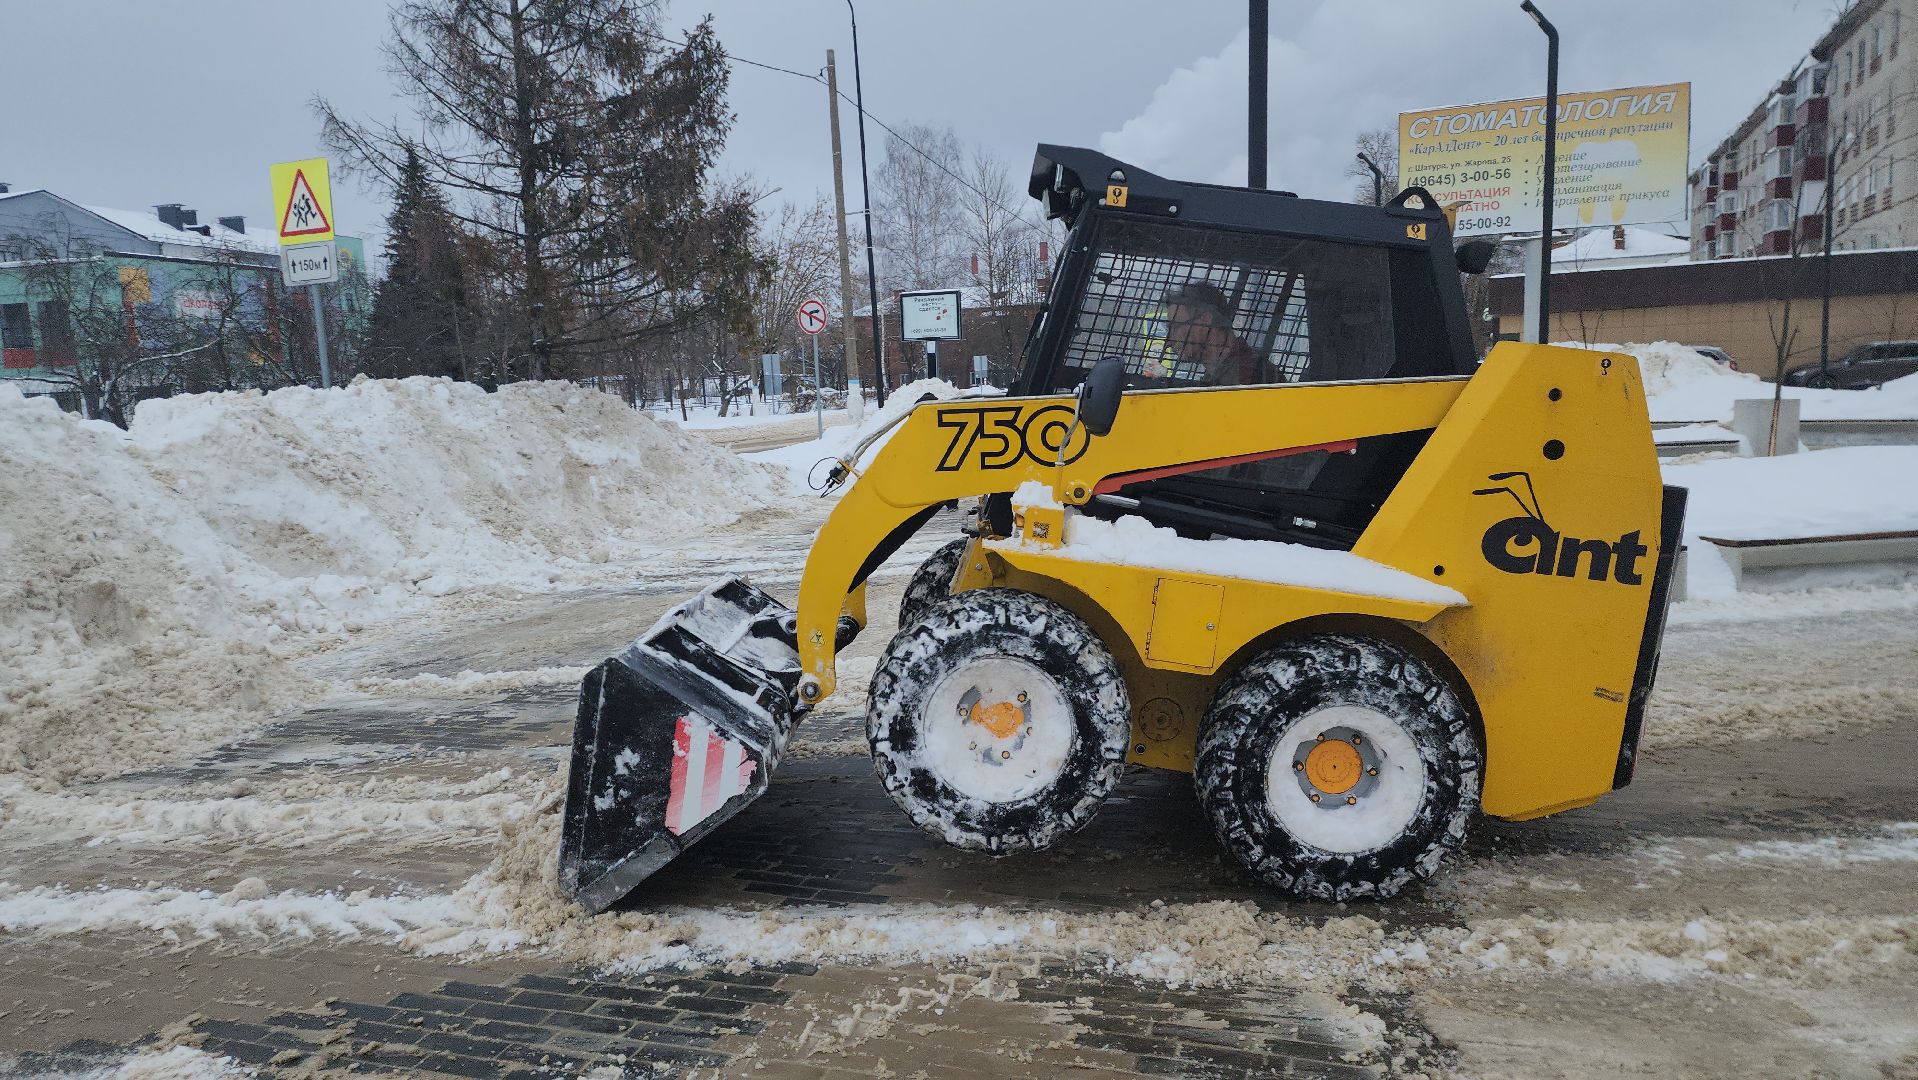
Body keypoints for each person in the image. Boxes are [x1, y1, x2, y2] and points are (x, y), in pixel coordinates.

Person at [1162, 280, 1264, 386]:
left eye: (1175, 327)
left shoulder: (1247, 375)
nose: (1169, 342)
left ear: (1205, 320)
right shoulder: (1221, 374)